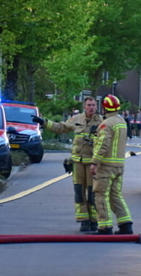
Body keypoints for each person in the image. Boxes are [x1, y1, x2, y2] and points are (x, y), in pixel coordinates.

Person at [32, 97, 104, 232]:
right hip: (77, 163)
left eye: (94, 105)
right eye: (89, 105)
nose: (91, 107)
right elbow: (61, 127)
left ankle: (94, 220)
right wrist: (44, 122)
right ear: (84, 106)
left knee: (92, 193)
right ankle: (83, 220)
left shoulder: (102, 122)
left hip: (93, 164)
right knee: (79, 192)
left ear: (97, 106)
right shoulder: (76, 119)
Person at [91, 94, 132, 235]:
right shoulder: (121, 121)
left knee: (101, 195)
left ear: (104, 108)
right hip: (119, 166)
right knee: (115, 195)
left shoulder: (106, 124)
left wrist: (94, 162)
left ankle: (105, 227)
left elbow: (103, 144)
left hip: (106, 166)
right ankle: (126, 225)